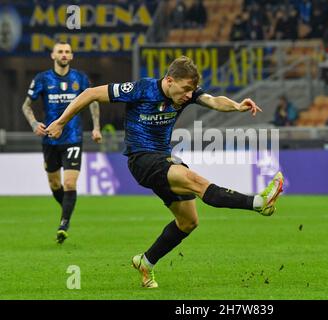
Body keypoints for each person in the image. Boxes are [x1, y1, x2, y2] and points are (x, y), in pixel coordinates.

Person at [45, 56, 284, 288]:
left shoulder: (187, 94)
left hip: (164, 159)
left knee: (188, 222)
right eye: (185, 89)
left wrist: (237, 106)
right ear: (169, 80)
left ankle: (145, 262)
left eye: (192, 90)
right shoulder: (141, 89)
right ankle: (258, 203)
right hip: (141, 159)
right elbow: (89, 94)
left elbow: (212, 100)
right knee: (194, 180)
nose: (189, 95)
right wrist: (61, 122)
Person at [22, 41, 102, 244]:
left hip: (73, 138)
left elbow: (93, 101)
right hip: (50, 138)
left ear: (72, 56)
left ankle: (64, 223)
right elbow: (26, 105)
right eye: (60, 51)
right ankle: (67, 208)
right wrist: (33, 124)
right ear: (53, 55)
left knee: (69, 183)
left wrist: (96, 127)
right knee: (55, 183)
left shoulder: (80, 78)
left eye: (67, 51)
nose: (64, 54)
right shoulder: (43, 78)